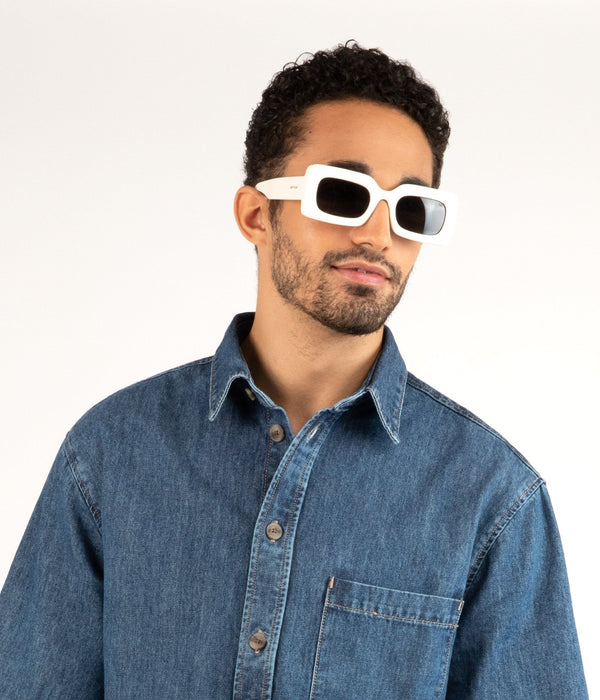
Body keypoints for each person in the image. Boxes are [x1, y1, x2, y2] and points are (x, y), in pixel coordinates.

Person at [0, 42, 587, 698]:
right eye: (342, 194)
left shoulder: (491, 499)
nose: (378, 234)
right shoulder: (112, 454)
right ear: (257, 215)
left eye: (411, 208)